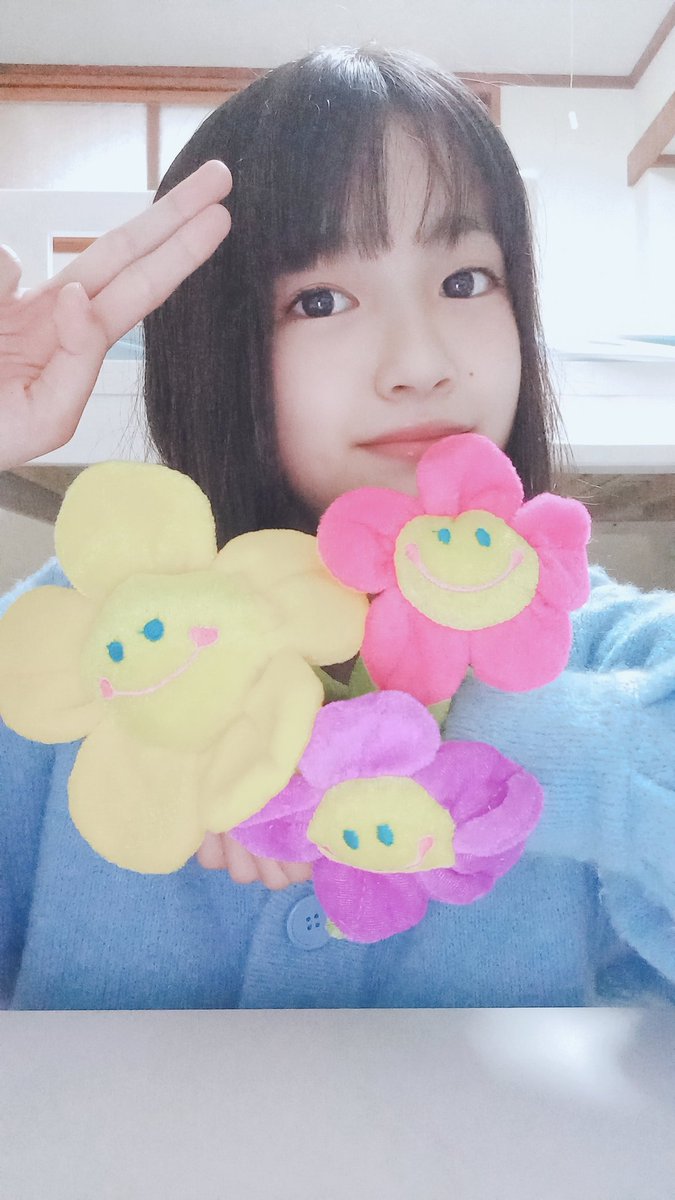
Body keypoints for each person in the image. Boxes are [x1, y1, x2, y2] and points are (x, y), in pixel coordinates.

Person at [1, 46, 673, 1010]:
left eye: (465, 281)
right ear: (213, 346)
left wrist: (399, 736)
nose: (419, 361)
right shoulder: (72, 655)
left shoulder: (582, 646)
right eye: (320, 300)